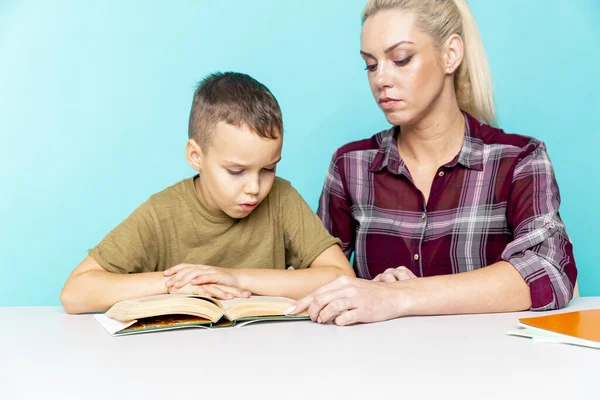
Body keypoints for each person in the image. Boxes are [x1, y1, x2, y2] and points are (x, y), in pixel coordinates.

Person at [284, 0, 577, 325]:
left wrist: (398, 297)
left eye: (401, 59)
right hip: (375, 367)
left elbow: (551, 269)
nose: (381, 79)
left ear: (450, 54)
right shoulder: (349, 166)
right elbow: (318, 277)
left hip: (490, 368)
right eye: (370, 65)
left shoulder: (518, 159)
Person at [60, 72, 354, 314]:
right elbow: (75, 293)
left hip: (265, 356)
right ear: (195, 156)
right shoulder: (162, 213)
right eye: (236, 171)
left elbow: (340, 276)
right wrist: (175, 284)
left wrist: (234, 276)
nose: (254, 188)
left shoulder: (281, 198)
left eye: (268, 169)